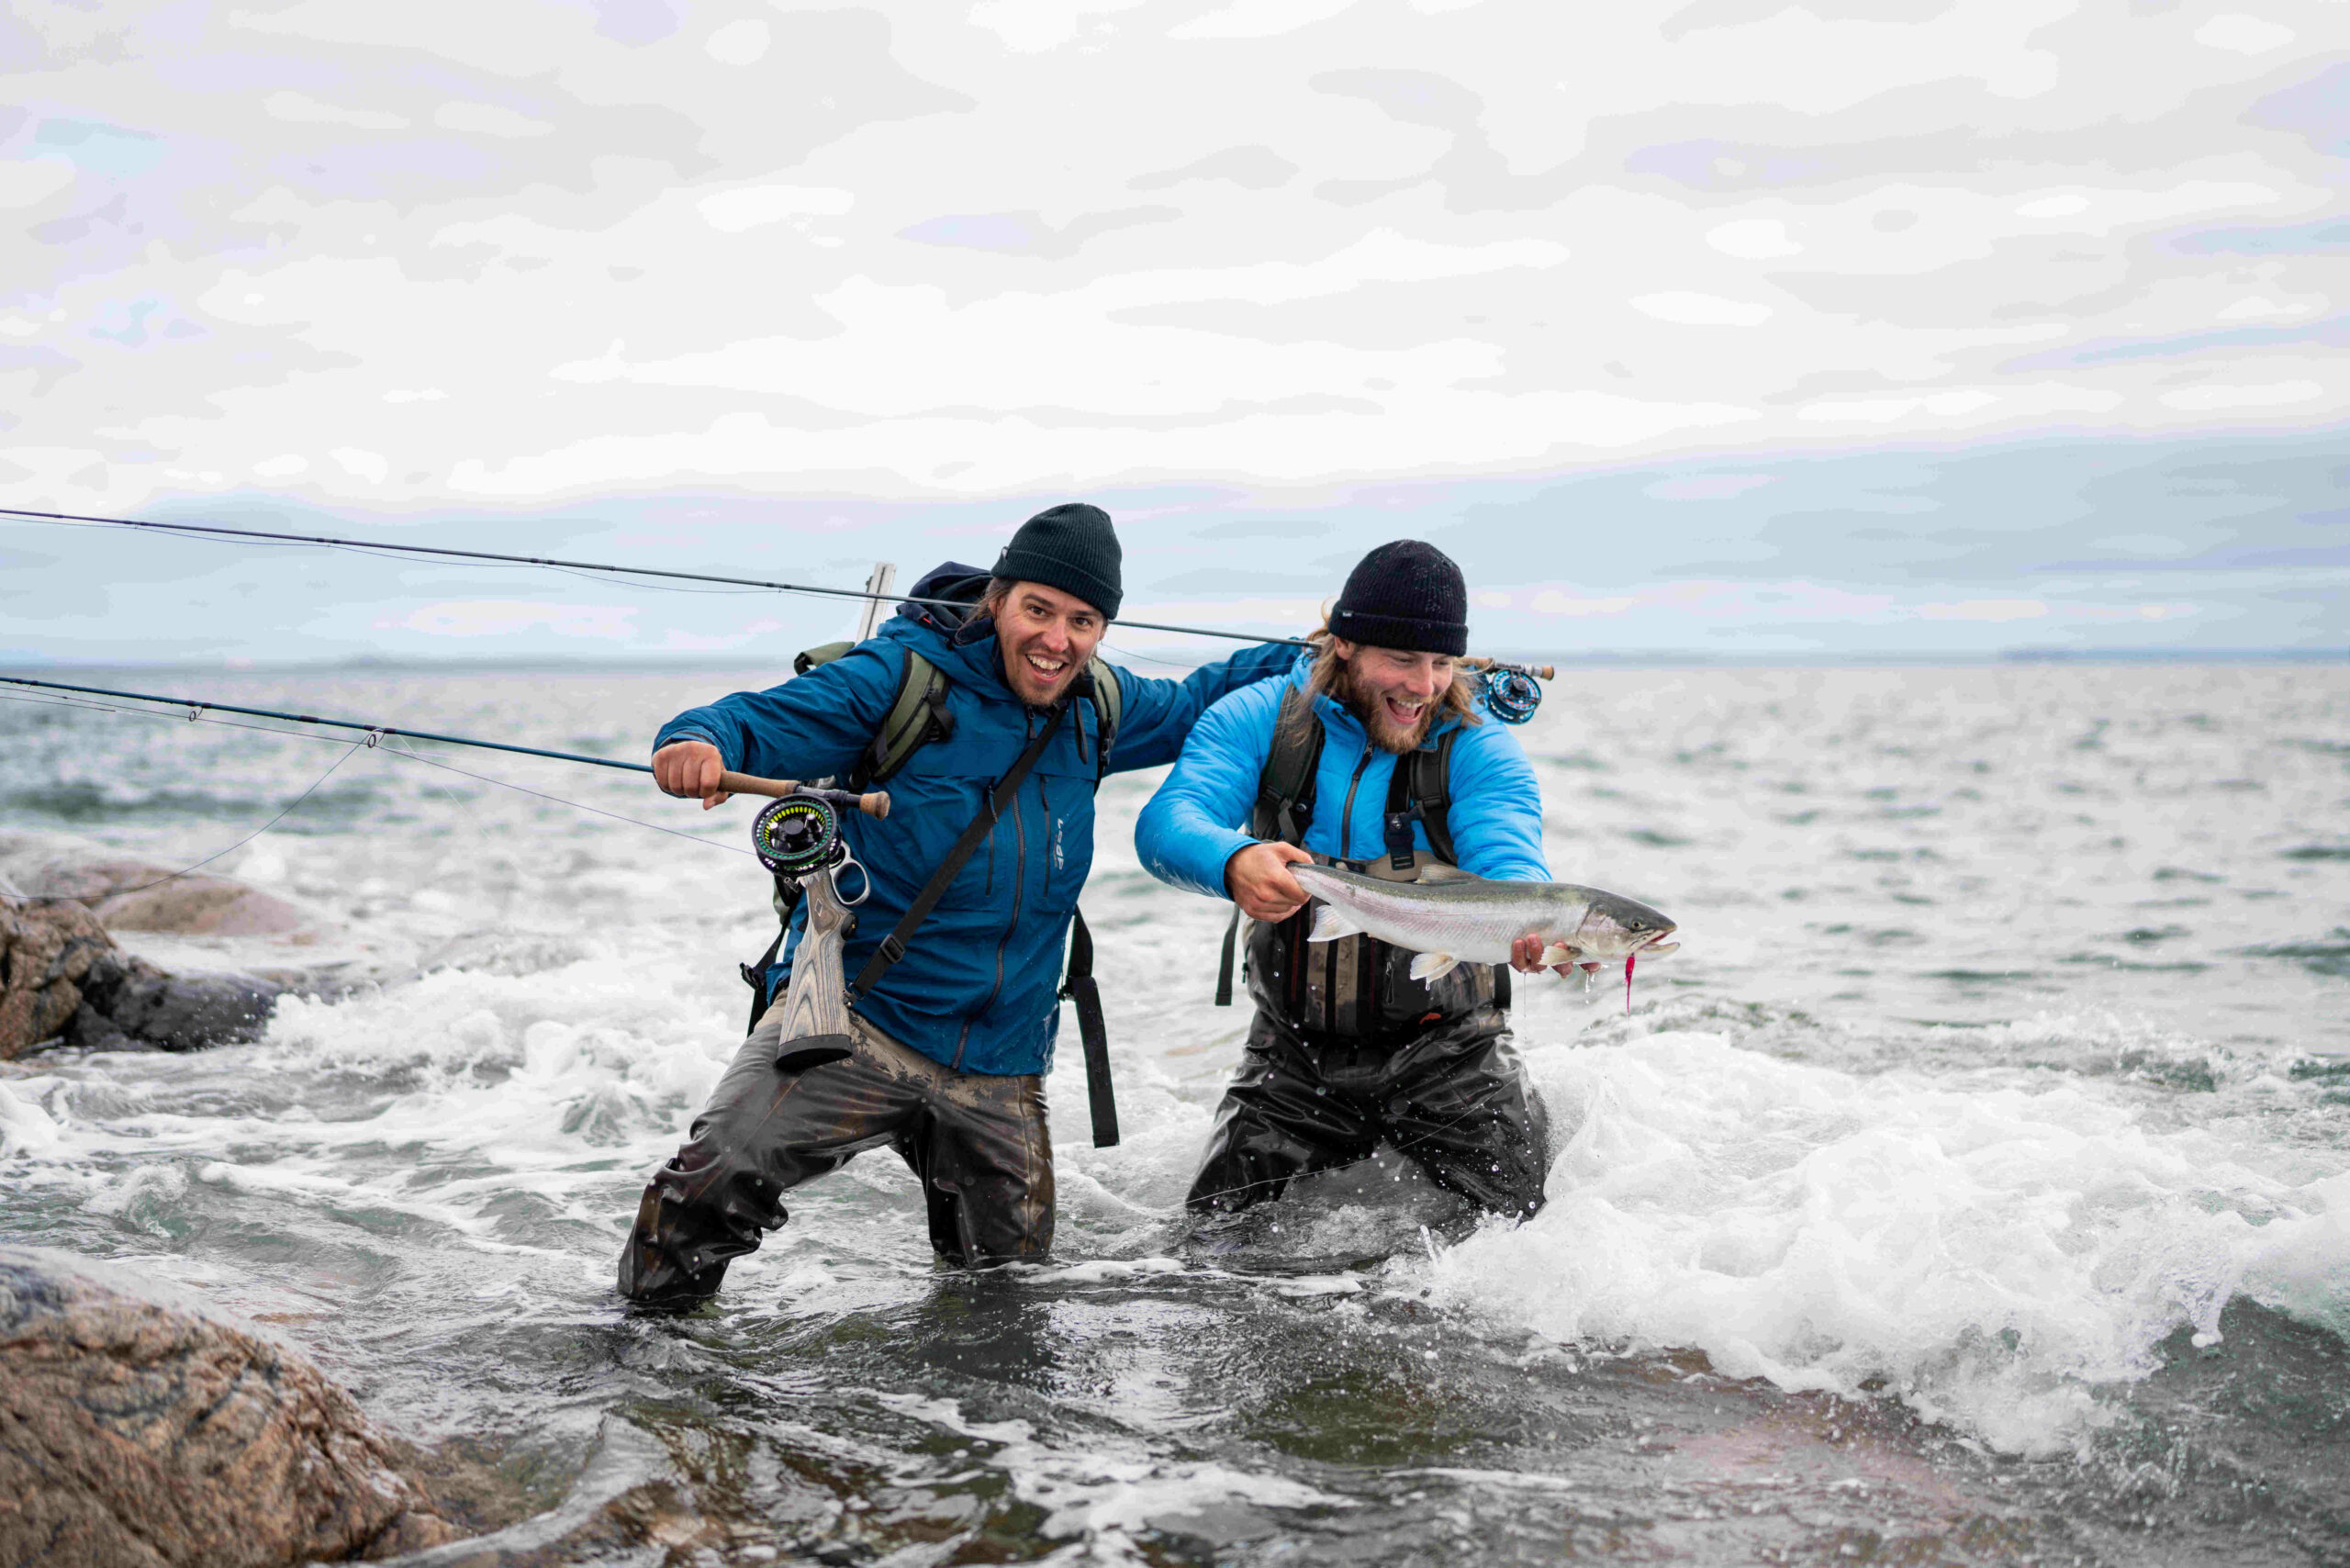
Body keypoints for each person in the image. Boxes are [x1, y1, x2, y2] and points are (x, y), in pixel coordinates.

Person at [618, 503, 1297, 1305]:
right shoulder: (897, 678)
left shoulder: (1099, 707)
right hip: (857, 1021)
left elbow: (1198, 702)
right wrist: (696, 743)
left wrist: (1331, 650)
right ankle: (639, 1371)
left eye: (1082, 621)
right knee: (705, 1186)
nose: (1057, 640)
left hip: (1002, 1061)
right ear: (997, 600)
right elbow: (751, 723)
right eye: (1038, 611)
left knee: (1008, 1296)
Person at [1133, 540, 1565, 1226]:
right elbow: (1168, 821)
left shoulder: (1479, 745)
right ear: (1343, 646)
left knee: (1527, 1241)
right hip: (1292, 1056)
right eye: (1401, 659)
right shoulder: (1258, 718)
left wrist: (1526, 918)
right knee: (1208, 1253)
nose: (1424, 686)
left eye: (1441, 662)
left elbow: (1510, 854)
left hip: (1454, 1052)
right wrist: (1232, 860)